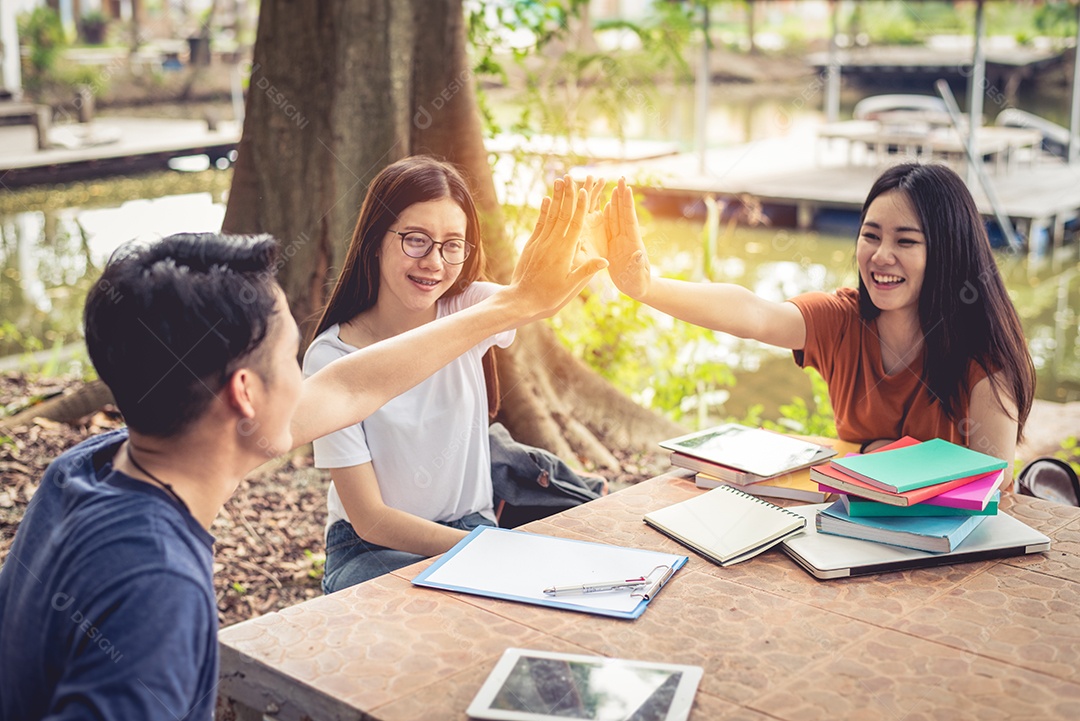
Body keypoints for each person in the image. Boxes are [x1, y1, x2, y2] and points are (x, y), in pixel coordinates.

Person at [0, 177, 604, 720]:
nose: (310, 378)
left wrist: (520, 301)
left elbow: (353, 385)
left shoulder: (81, 468)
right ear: (246, 395)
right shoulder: (157, 589)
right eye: (290, 360)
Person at [599, 163, 1035, 466]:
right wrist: (646, 287)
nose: (881, 256)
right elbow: (753, 314)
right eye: (870, 235)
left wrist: (883, 453)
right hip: (855, 523)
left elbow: (988, 489)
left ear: (948, 252)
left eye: (906, 242)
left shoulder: (985, 359)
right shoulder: (841, 320)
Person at [304, 156, 606, 593]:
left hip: (471, 525)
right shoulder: (331, 356)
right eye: (415, 240)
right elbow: (369, 518)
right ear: (374, 240)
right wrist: (488, 550)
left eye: (452, 245)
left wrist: (582, 246)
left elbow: (538, 297)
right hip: (372, 547)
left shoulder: (466, 307)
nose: (434, 262)